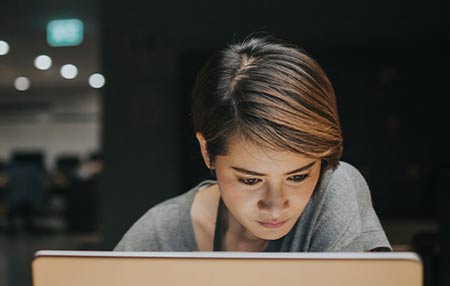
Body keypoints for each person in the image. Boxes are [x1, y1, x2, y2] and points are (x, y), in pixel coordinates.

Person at [115, 34, 391, 252]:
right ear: (206, 151)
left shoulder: (334, 190)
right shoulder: (160, 235)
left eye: (298, 176)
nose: (275, 206)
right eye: (250, 180)